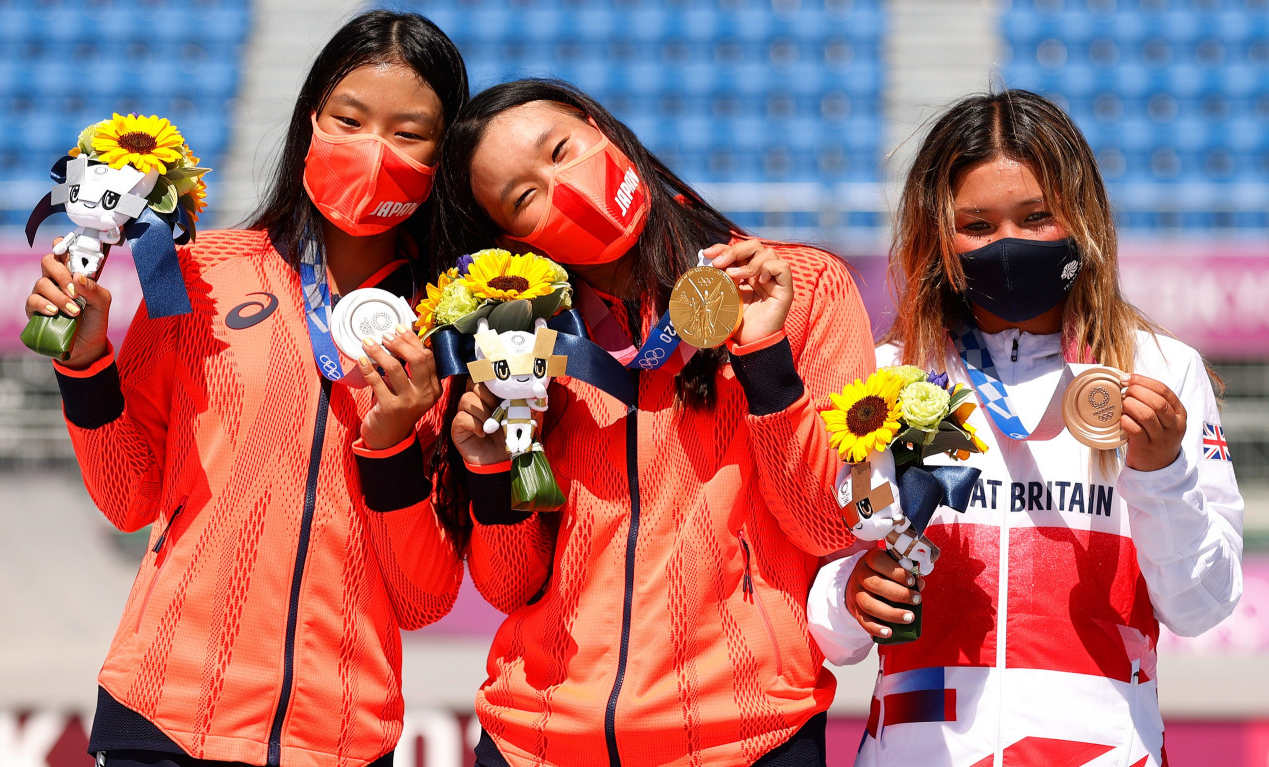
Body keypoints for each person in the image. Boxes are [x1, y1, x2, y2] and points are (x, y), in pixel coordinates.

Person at [22, 11, 469, 767]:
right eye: (350, 120)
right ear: (309, 122)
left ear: (444, 154)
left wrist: (393, 446)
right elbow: (129, 497)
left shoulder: (455, 331)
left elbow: (423, 599)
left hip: (340, 739)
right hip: (162, 717)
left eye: (408, 133)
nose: (373, 150)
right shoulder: (199, 273)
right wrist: (86, 363)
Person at [431, 79, 876, 767]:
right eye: (525, 197)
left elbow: (829, 525)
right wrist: (493, 469)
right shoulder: (521, 346)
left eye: (562, 150)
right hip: (534, 742)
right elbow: (511, 586)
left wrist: (765, 357)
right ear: (509, 240)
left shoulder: (798, 287)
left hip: (744, 740)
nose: (565, 187)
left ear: (599, 128)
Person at [806, 89, 1244, 766]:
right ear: (937, 236)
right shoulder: (883, 383)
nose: (1008, 244)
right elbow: (827, 627)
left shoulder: (1160, 370)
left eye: (1037, 217)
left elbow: (1201, 606)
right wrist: (851, 595)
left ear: (1082, 218)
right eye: (977, 225)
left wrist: (1162, 472)